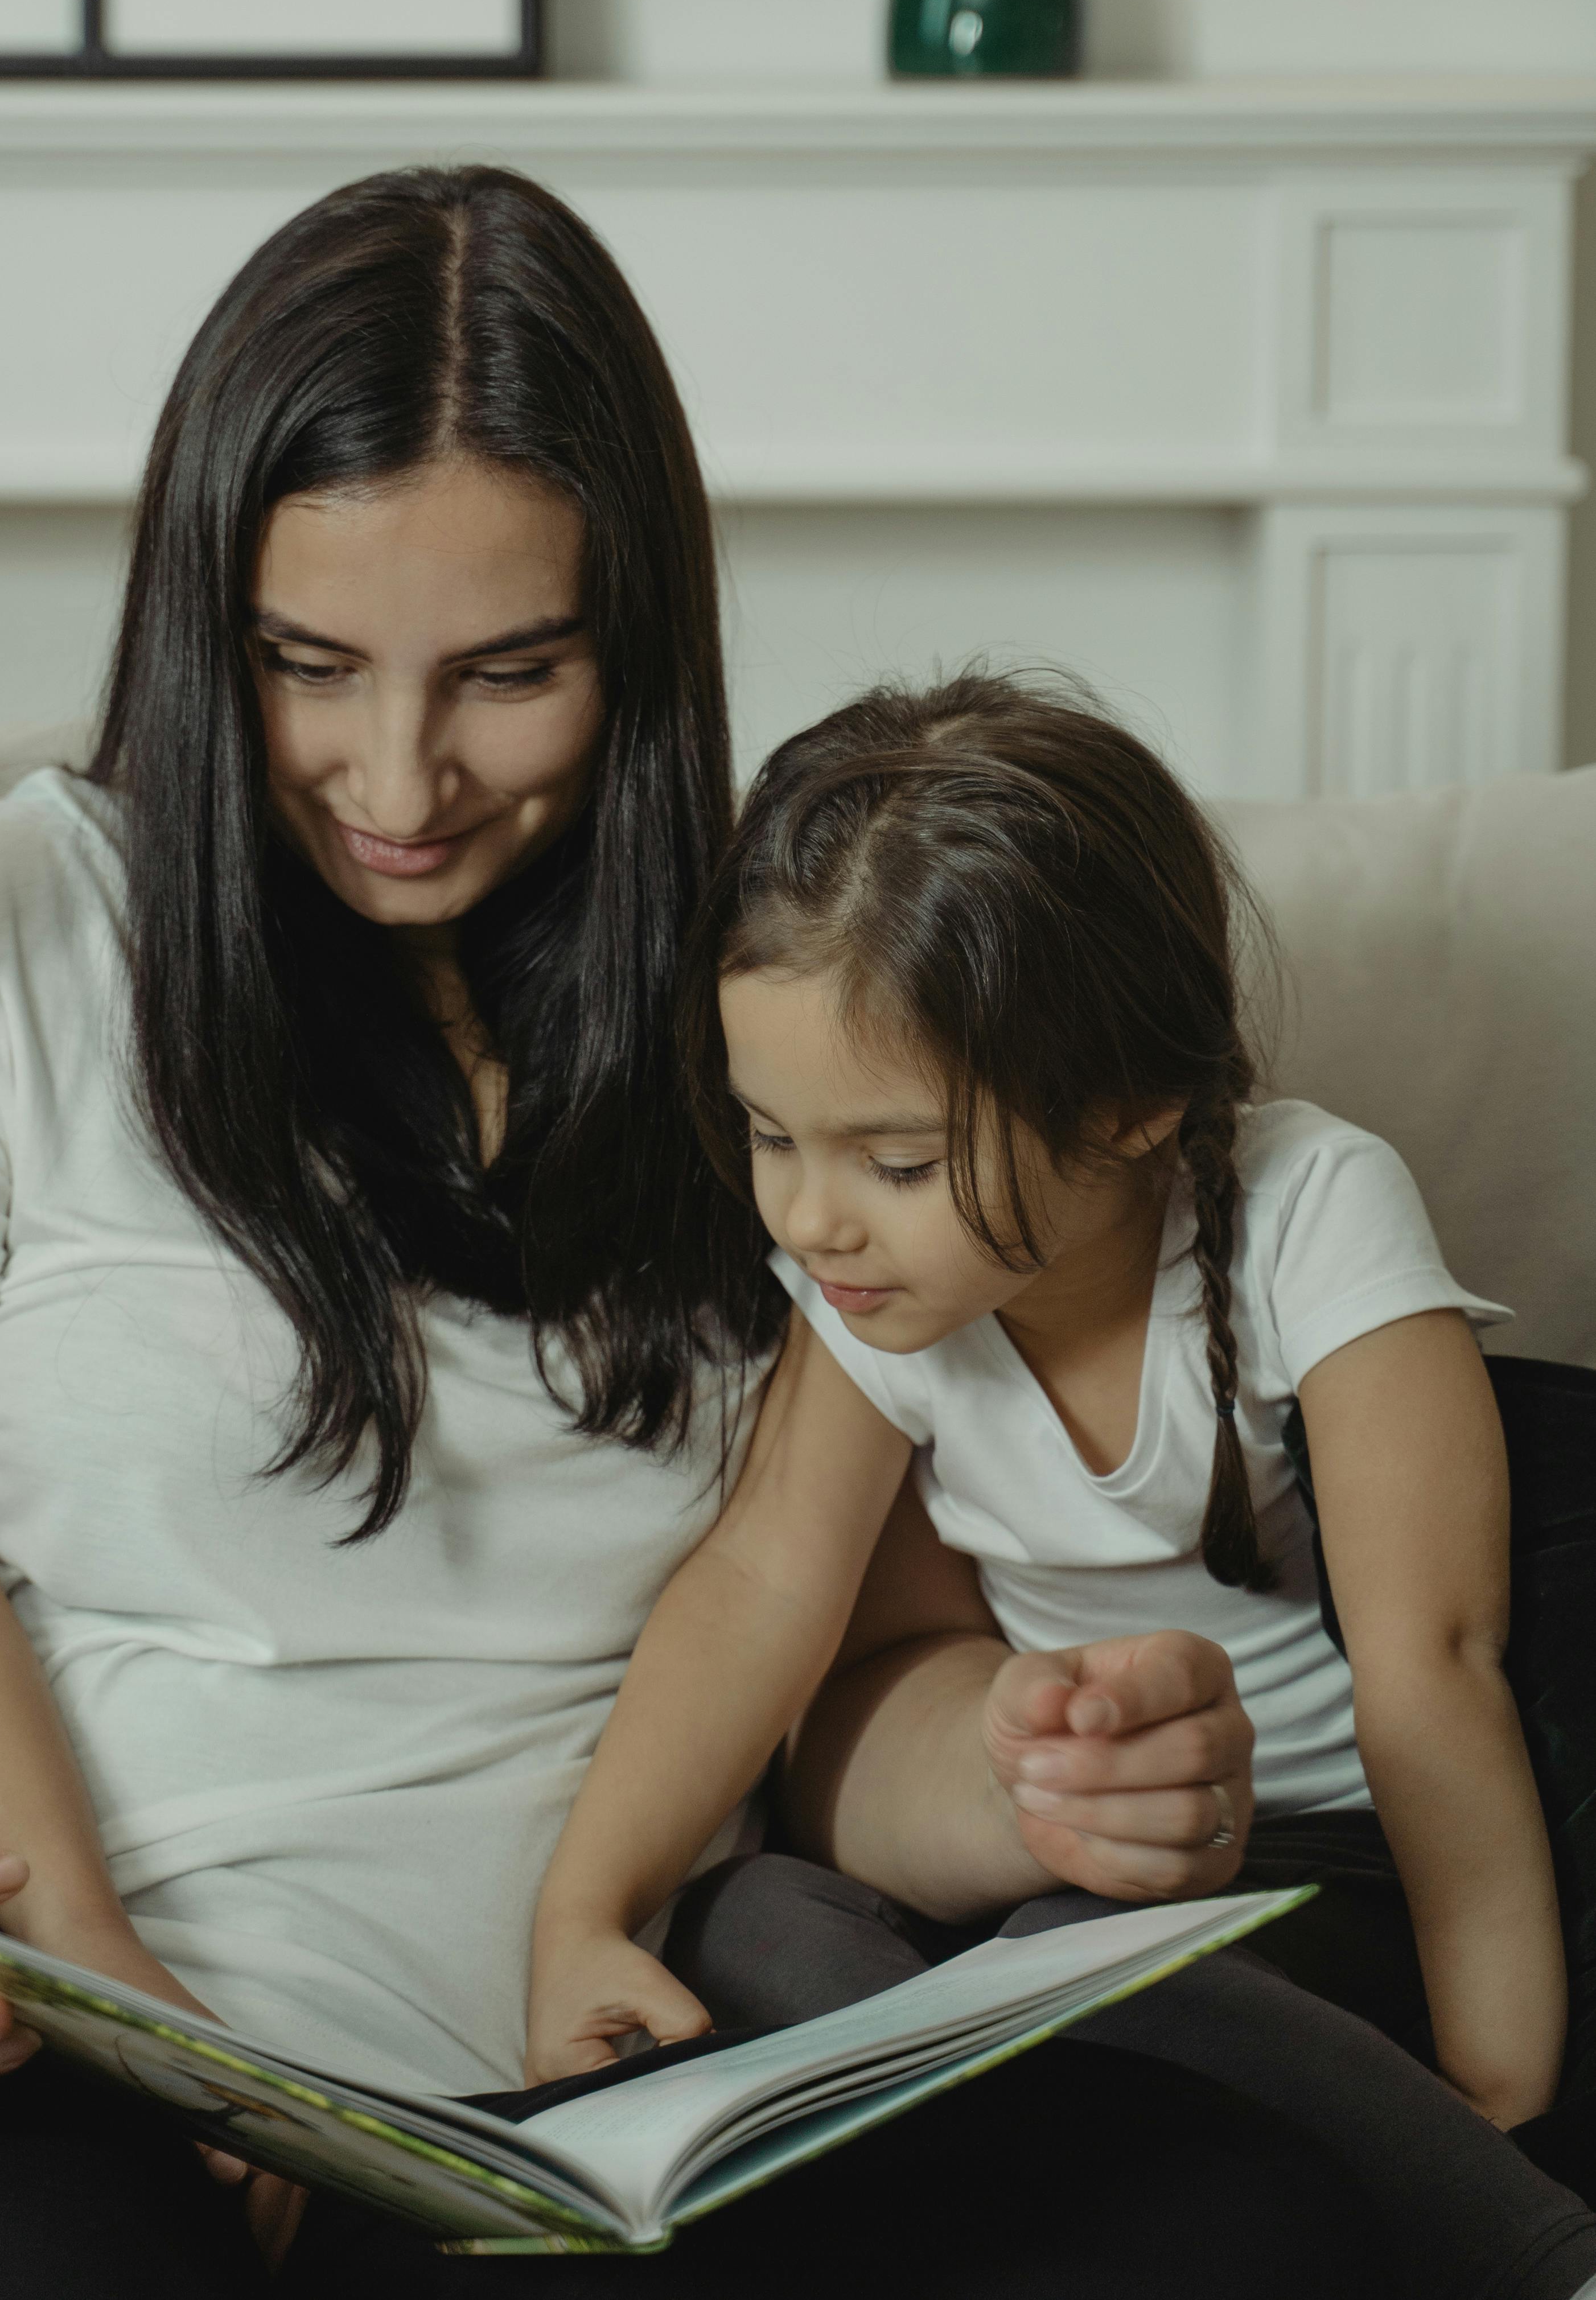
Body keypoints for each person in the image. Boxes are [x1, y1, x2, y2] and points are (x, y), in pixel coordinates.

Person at [0, 174, 1388, 2298]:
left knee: (1261, 2225)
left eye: (507, 674)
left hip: (564, 2112)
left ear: (636, 649)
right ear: (205, 627)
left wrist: (1043, 1781)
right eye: (305, 664)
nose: (396, 777)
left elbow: (847, 1697)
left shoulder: (799, 1018)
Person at [527, 668, 1596, 2290]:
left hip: (1305, 1856)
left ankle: (1529, 2246)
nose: (810, 1223)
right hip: (1046, 1875)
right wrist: (586, 1910)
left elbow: (1428, 1662)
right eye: (767, 1136)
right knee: (747, 1923)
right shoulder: (877, 1286)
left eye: (890, 1161)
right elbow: (759, 1583)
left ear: (1127, 1106)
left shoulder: (1315, 1213)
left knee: (1075, 1968)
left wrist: (1501, 2072)